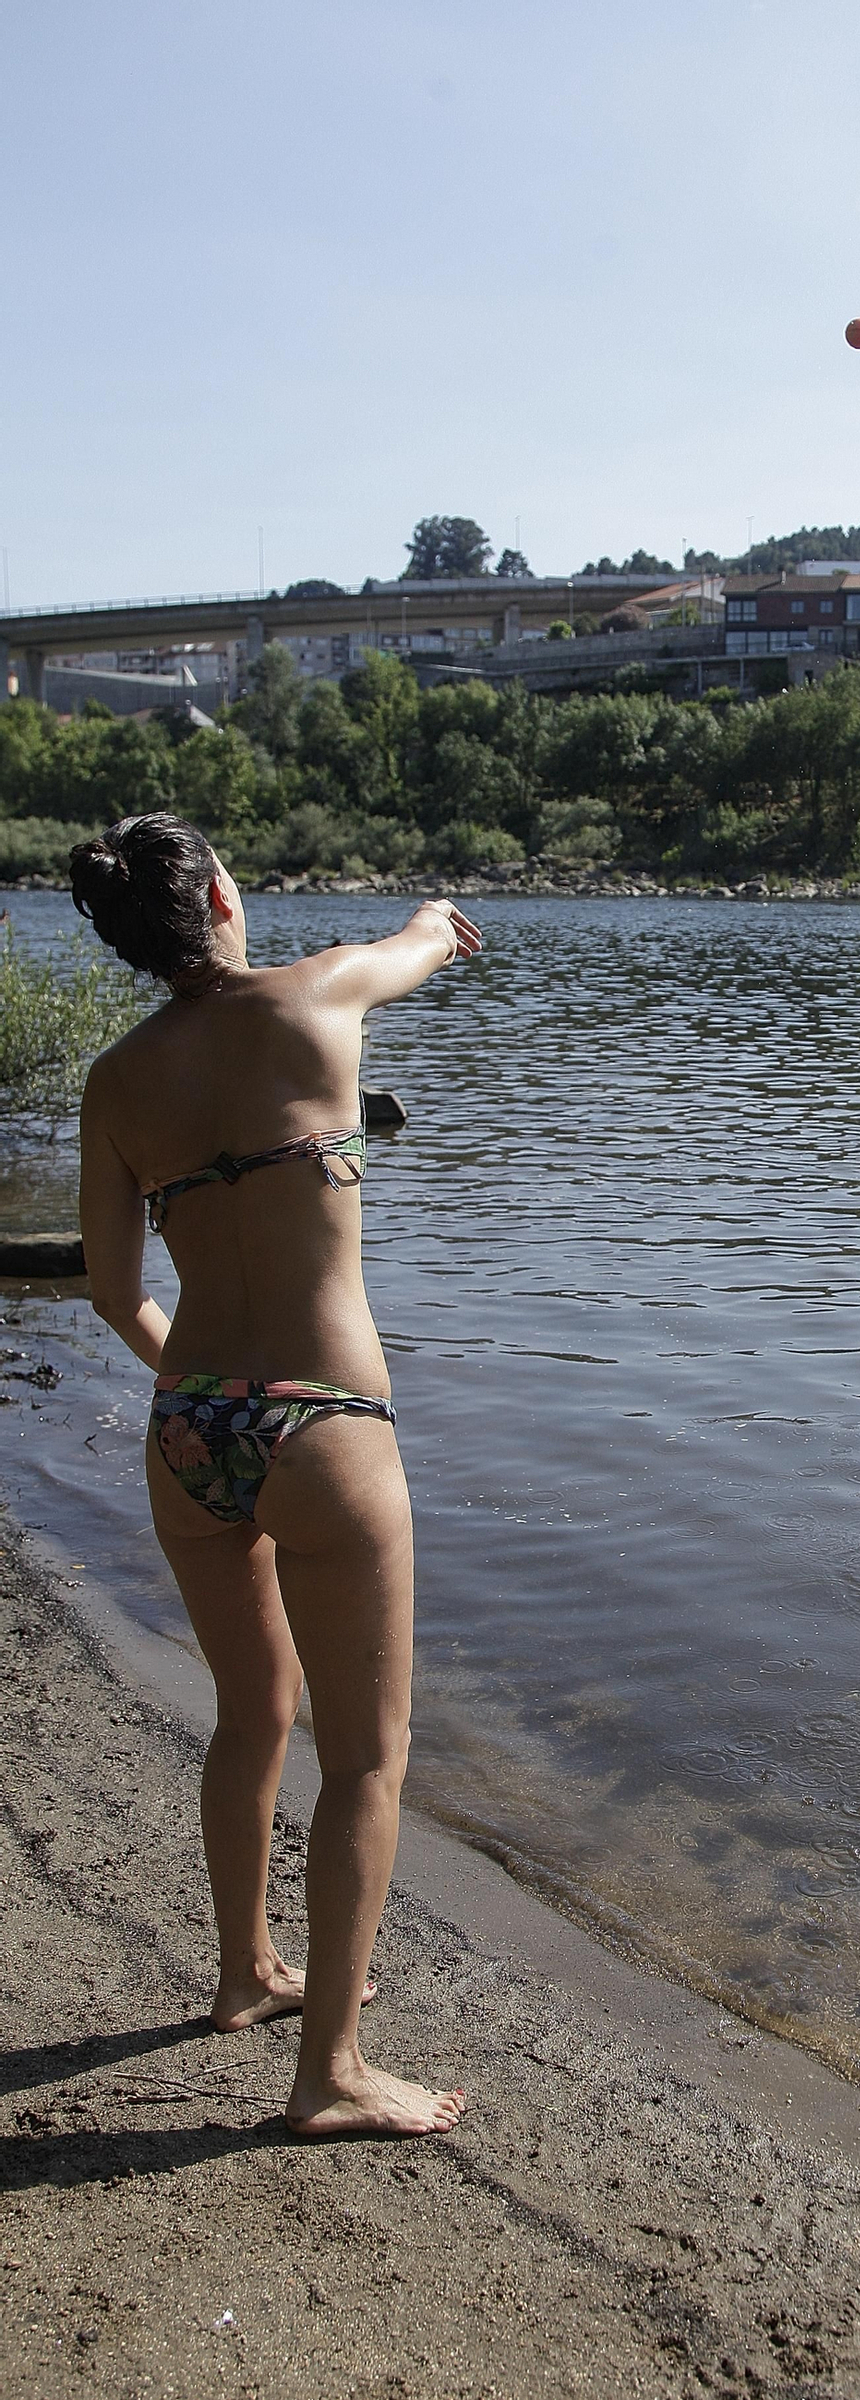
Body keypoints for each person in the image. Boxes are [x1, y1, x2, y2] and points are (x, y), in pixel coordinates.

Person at [70, 812, 480, 2138]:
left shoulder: (117, 1082)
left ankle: (248, 1972)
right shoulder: (318, 994)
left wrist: (194, 1387)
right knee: (366, 1761)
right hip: (326, 1423)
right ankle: (335, 2074)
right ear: (228, 894)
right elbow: (418, 948)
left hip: (190, 1428)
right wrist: (434, 919)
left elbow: (113, 1289)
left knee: (254, 1714)